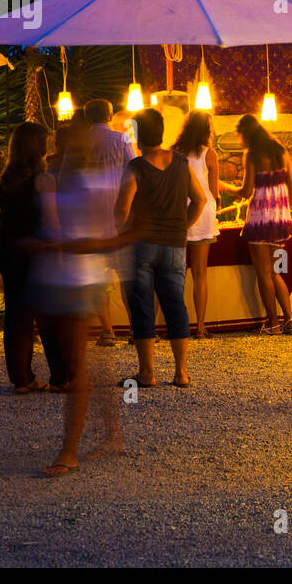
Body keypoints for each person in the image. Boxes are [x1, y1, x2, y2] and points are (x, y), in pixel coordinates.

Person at [29, 120, 123, 476]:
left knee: (76, 368)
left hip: (77, 280)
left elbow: (107, 237)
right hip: (65, 278)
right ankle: (112, 434)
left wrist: (61, 245)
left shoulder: (80, 186)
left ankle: (68, 451)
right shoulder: (66, 184)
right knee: (87, 366)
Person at [116, 108, 206, 387]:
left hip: (142, 246)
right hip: (175, 245)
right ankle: (181, 372)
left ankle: (147, 373)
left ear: (138, 136)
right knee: (175, 305)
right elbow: (200, 200)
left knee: (143, 307)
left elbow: (121, 210)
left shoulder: (136, 168)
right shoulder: (181, 163)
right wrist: (183, 227)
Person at [0, 122, 62, 393]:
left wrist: (0, 218)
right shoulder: (43, 180)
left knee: (17, 316)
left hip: (9, 250)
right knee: (48, 315)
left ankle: (22, 379)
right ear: (38, 147)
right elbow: (51, 221)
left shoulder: (7, 179)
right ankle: (62, 377)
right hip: (37, 251)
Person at [173, 112, 238, 338]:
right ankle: (200, 326)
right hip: (203, 214)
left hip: (180, 212)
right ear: (206, 129)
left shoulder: (175, 153)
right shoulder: (209, 154)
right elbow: (213, 190)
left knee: (176, 273)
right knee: (200, 274)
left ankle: (176, 326)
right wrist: (217, 203)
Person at [235, 113, 292, 335]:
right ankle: (289, 318)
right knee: (275, 272)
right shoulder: (280, 149)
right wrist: (285, 210)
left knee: (263, 273)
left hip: (260, 217)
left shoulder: (252, 154)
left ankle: (272, 323)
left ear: (245, 134)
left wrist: (224, 187)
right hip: (281, 218)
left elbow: (245, 190)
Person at [85, 99, 137, 347]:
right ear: (108, 115)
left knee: (99, 278)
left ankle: (107, 331)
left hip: (91, 219)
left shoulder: (81, 143)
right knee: (128, 276)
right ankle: (136, 329)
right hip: (121, 215)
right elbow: (135, 172)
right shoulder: (122, 139)